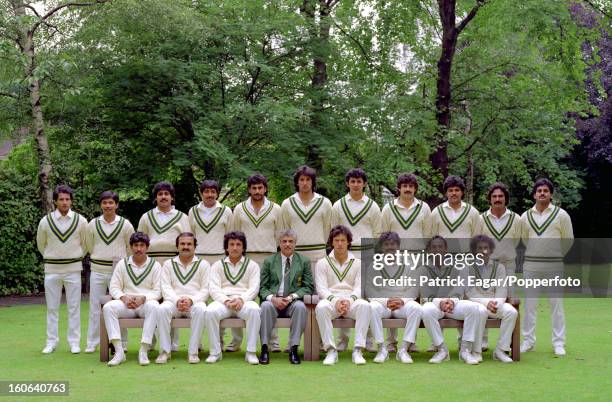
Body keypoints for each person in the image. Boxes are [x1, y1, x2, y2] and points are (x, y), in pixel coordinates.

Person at [520, 178, 573, 356]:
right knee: (530, 305)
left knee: (556, 305)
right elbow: (524, 240)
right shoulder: (525, 216)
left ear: (551, 194)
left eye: (545, 191)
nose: (542, 193)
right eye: (539, 191)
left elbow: (568, 240)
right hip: (531, 266)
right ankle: (528, 341)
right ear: (534, 194)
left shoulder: (561, 215)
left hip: (554, 266)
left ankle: (559, 343)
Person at [331, 168, 381, 351]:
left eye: (359, 181)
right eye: (352, 181)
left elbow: (377, 234)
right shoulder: (338, 205)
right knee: (343, 294)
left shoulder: (373, 206)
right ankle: (342, 340)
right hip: (345, 255)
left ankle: (367, 341)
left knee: (366, 300)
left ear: (364, 184)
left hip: (367, 255)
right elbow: (334, 230)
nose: (356, 184)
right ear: (347, 183)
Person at [380, 173, 431, 352]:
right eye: (404, 186)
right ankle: (391, 342)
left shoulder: (424, 208)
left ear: (415, 188)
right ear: (399, 188)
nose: (407, 189)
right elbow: (383, 234)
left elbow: (428, 235)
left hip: (417, 259)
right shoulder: (388, 209)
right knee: (392, 295)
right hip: (393, 258)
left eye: (411, 186)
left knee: (414, 299)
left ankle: (411, 341)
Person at [231, 174, 281, 351]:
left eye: (260, 188)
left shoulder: (276, 209)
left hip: (270, 258)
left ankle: (272, 342)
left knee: (270, 300)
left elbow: (280, 235)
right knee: (239, 297)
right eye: (254, 188)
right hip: (246, 259)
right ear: (249, 189)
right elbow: (234, 234)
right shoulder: (239, 209)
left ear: (265, 188)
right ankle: (236, 341)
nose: (257, 191)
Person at [37, 185, 88, 354]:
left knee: (74, 307)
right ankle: (51, 342)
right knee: (52, 308)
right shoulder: (45, 221)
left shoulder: (81, 220)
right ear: (55, 201)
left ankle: (74, 342)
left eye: (67, 199)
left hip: (73, 269)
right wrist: (53, 257)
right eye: (61, 199)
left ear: (71, 201)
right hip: (52, 270)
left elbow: (86, 244)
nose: (64, 202)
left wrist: (75, 255)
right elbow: (41, 244)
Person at [137, 181, 189, 350]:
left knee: (170, 302)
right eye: (160, 194)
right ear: (156, 198)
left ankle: (172, 343)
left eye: (167, 194)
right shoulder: (146, 217)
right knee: (152, 302)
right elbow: (140, 240)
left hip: (173, 264)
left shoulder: (182, 217)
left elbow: (187, 240)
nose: (163, 197)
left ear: (172, 197)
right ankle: (150, 341)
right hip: (151, 264)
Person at [418, 236, 486, 365]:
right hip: (434, 305)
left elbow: (459, 289)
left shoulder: (456, 267)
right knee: (426, 310)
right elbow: (426, 292)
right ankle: (442, 350)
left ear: (446, 249)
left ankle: (465, 351)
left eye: (440, 247)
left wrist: (452, 301)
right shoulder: (423, 269)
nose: (437, 250)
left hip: (453, 304)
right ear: (429, 250)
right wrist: (440, 303)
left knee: (473, 308)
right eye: (434, 247)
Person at [85, 190, 134, 353]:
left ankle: (123, 342)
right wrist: (99, 256)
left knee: (120, 305)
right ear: (101, 205)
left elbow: (130, 247)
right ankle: (92, 342)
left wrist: (122, 263)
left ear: (117, 205)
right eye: (105, 203)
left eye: (111, 203)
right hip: (97, 269)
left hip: (118, 271)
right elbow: (89, 245)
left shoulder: (125, 224)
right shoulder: (92, 224)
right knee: (94, 306)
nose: (108, 206)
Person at [103, 232, 161, 366]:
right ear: (130, 247)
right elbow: (114, 287)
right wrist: (123, 298)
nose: (139, 248)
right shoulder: (122, 264)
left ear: (147, 247)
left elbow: (158, 290)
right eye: (136, 245)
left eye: (142, 245)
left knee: (154, 306)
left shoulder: (155, 265)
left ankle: (144, 350)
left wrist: (143, 298)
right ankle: (119, 352)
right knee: (108, 307)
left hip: (145, 304)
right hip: (126, 305)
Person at [315, 225, 371, 365]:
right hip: (331, 300)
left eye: (343, 240)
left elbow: (359, 288)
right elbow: (321, 289)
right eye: (336, 240)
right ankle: (331, 350)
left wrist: (348, 301)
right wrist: (336, 301)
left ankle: (358, 350)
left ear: (348, 242)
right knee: (321, 308)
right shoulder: (322, 263)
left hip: (351, 300)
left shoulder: (358, 263)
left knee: (364, 305)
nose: (339, 244)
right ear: (331, 242)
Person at [204, 231, 261, 365]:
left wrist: (241, 299)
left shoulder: (252, 265)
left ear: (243, 247)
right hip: (224, 302)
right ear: (226, 247)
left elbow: (254, 288)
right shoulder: (217, 265)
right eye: (231, 244)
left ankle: (251, 352)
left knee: (255, 310)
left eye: (238, 244)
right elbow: (213, 288)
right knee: (210, 311)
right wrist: (226, 300)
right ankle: (215, 352)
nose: (235, 248)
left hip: (244, 302)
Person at [259, 229, 314, 364]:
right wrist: (273, 298)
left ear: (295, 244)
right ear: (279, 243)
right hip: (274, 302)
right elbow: (262, 288)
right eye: (284, 241)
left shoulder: (304, 261)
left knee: (301, 307)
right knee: (265, 306)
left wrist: (291, 297)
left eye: (291, 241)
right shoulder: (269, 261)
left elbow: (308, 287)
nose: (287, 244)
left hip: (293, 302)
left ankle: (293, 349)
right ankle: (265, 348)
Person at [369, 232, 422, 364]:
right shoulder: (373, 265)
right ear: (381, 247)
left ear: (398, 246)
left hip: (402, 304)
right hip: (383, 305)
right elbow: (369, 290)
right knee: (372, 307)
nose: (390, 247)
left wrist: (402, 300)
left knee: (416, 307)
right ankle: (382, 349)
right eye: (386, 244)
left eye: (393, 244)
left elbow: (414, 288)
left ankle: (403, 349)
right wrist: (386, 301)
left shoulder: (409, 263)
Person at [157, 232, 210, 364]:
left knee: (201, 309)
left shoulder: (204, 265)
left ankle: (193, 352)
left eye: (189, 244)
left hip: (195, 303)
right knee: (162, 309)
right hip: (173, 303)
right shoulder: (168, 264)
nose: (185, 246)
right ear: (177, 246)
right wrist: (177, 301)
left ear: (194, 246)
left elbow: (206, 289)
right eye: (182, 244)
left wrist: (191, 300)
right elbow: (165, 287)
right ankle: (164, 351)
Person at [466, 235, 518, 363]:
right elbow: (470, 292)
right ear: (474, 251)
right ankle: (476, 351)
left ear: (490, 250)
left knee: (512, 312)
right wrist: (486, 303)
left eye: (486, 248)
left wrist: (497, 303)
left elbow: (502, 288)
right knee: (481, 311)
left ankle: (500, 350)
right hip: (476, 304)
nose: (483, 251)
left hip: (495, 303)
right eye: (479, 248)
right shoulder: (468, 267)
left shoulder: (499, 267)